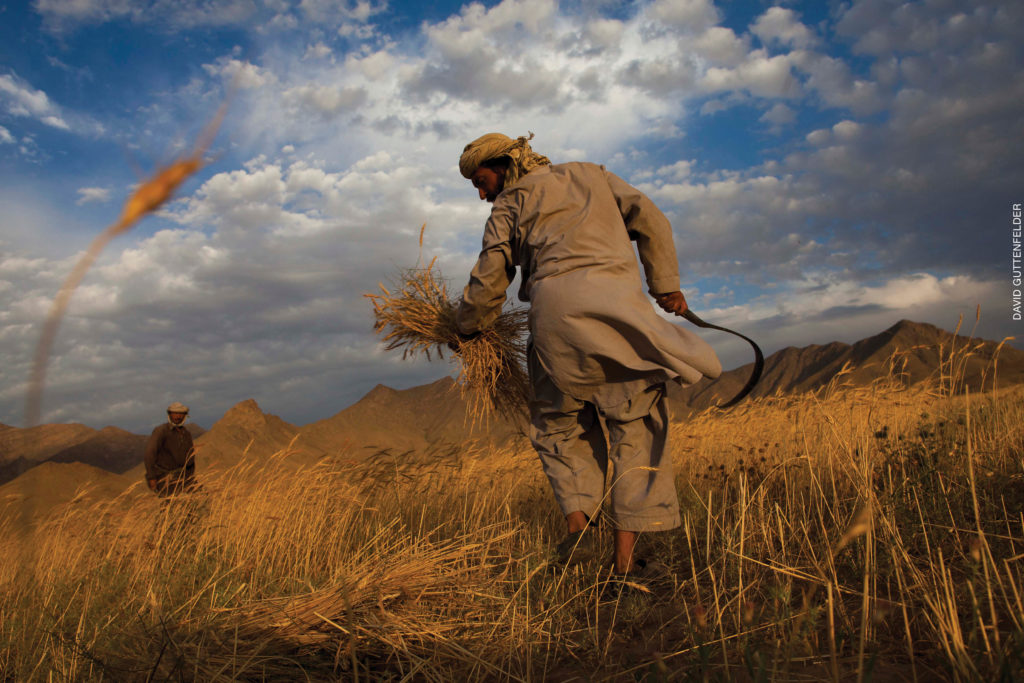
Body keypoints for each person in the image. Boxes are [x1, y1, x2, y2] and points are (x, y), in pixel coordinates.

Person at [454, 133, 721, 577]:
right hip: (618, 314)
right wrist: (666, 285)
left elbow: (488, 279)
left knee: (559, 427)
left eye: (482, 182)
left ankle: (579, 533)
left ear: (504, 165)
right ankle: (623, 565)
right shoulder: (591, 175)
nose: (483, 195)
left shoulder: (508, 207)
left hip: (553, 319)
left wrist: (465, 328)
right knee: (635, 427)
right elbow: (651, 219)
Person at [144, 401, 197, 497]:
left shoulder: (186, 433)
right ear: (169, 414)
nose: (177, 417)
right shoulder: (161, 431)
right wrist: (151, 477)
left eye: (180, 414)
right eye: (175, 413)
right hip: (166, 479)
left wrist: (191, 477)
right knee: (169, 507)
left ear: (185, 415)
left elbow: (191, 457)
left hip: (184, 478)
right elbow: (149, 454)